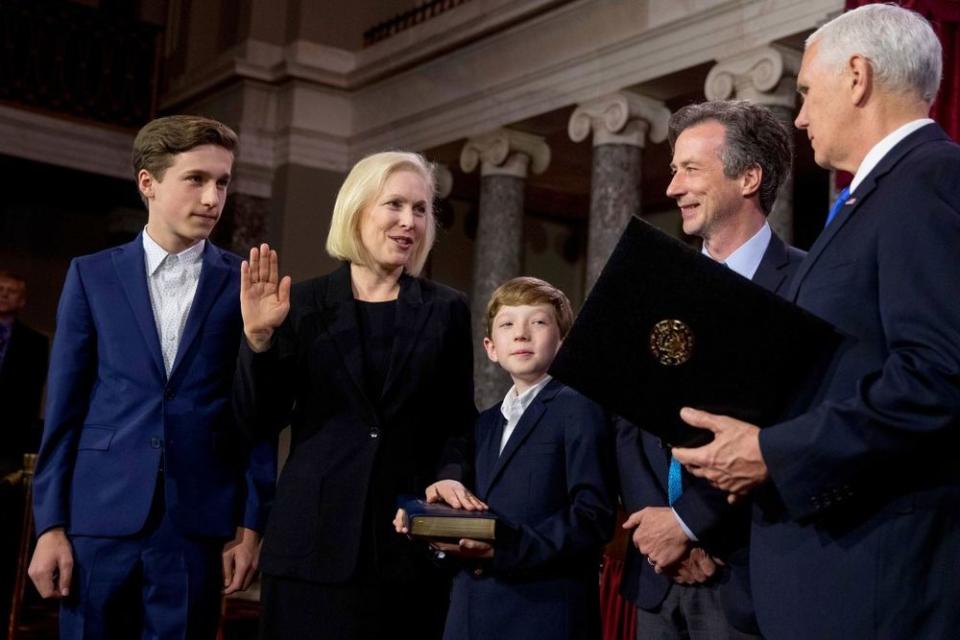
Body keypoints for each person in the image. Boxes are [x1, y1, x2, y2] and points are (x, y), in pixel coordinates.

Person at [671, 5, 960, 638]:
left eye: (805, 91)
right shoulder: (877, 193)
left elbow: (938, 375)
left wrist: (772, 451)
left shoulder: (930, 179)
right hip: (833, 578)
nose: (798, 115)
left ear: (857, 76)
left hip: (877, 583)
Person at [28, 115, 276, 639]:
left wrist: (251, 524)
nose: (213, 197)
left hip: (198, 522)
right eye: (196, 179)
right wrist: (48, 525)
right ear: (148, 183)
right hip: (98, 516)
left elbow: (255, 419)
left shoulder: (243, 283)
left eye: (223, 183)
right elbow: (64, 410)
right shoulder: (91, 274)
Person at [234, 151, 477, 639]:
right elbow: (257, 420)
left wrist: (449, 477)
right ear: (356, 210)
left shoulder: (447, 309)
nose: (409, 222)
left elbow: (457, 422)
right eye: (394, 205)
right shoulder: (301, 305)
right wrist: (259, 343)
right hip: (311, 545)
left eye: (421, 209)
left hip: (405, 547)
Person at [615, 100, 801, 640]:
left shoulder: (807, 287)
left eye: (690, 169)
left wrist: (692, 525)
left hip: (747, 573)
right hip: (655, 577)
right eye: (673, 170)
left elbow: (794, 434)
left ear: (749, 176)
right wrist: (659, 526)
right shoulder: (655, 284)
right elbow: (626, 420)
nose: (672, 188)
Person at [396, 276, 615, 640]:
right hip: (471, 614)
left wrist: (504, 547)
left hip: (543, 614)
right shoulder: (484, 424)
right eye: (508, 324)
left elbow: (593, 516)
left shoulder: (579, 407)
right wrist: (433, 529)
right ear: (490, 347)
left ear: (563, 341)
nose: (522, 334)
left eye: (539, 322)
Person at [0, 271, 49, 625]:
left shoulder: (33, 342)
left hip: (9, 449)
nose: (4, 295)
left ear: (23, 300)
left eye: (11, 291)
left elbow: (32, 398)